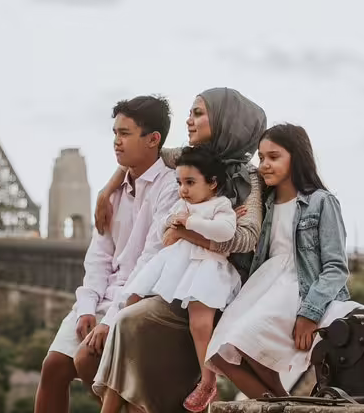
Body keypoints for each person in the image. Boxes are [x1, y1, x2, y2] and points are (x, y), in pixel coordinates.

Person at [90, 87, 267, 413]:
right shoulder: (188, 158)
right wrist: (108, 189)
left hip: (211, 285)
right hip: (180, 274)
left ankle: (117, 403)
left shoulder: (248, 178)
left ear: (227, 121)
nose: (189, 120)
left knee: (129, 322)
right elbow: (147, 155)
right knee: (128, 319)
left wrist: (189, 232)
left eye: (199, 113)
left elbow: (246, 238)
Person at [34, 95, 179, 413]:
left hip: (141, 300)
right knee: (54, 368)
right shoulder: (111, 193)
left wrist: (110, 319)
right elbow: (98, 258)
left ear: (153, 139)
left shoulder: (170, 189)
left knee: (91, 366)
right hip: (102, 298)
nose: (116, 142)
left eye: (125, 134)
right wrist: (87, 307)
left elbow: (151, 262)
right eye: (115, 133)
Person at [205, 123, 361, 399]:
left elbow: (336, 267)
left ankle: (284, 402)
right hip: (262, 285)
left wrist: (309, 313)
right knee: (219, 355)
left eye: (273, 157)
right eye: (261, 157)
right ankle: (284, 403)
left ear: (297, 157)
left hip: (297, 288)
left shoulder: (321, 202)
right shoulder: (265, 204)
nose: (264, 164)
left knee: (246, 340)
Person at [119, 145, 242, 412]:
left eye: (190, 182)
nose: (183, 189)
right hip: (178, 266)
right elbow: (165, 226)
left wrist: (188, 224)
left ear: (212, 183)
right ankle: (131, 365)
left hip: (207, 270)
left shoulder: (220, 205)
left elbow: (225, 233)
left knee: (200, 323)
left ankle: (207, 381)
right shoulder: (182, 204)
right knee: (132, 300)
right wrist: (174, 223)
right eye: (179, 182)